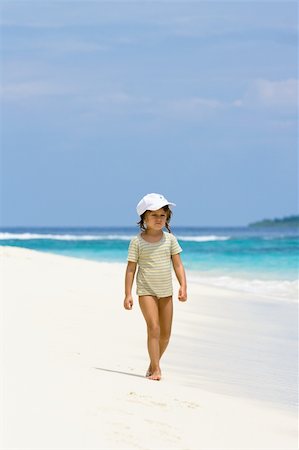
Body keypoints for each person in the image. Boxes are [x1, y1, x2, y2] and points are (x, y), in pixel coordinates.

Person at [123, 193, 187, 381]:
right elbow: (130, 269)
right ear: (144, 218)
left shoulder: (170, 240)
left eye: (162, 215)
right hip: (146, 291)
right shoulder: (137, 242)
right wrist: (128, 294)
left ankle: (152, 365)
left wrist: (183, 286)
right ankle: (157, 370)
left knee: (166, 335)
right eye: (154, 215)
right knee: (154, 328)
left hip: (166, 292)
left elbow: (178, 265)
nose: (159, 219)